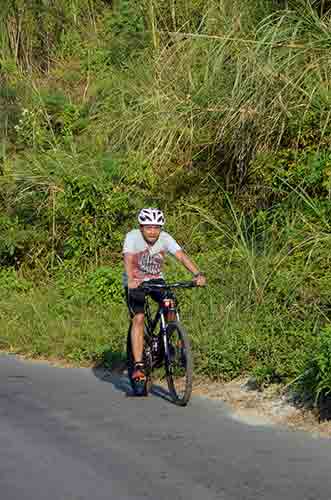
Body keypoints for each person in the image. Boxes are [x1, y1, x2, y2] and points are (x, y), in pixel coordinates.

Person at [123, 207, 206, 382]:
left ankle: (168, 337)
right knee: (138, 318)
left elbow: (181, 256)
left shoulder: (165, 238)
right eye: (148, 227)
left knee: (170, 303)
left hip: (156, 280)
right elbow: (129, 258)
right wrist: (131, 279)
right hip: (136, 282)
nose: (152, 232)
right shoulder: (132, 237)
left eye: (156, 227)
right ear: (141, 227)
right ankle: (138, 365)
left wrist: (197, 274)